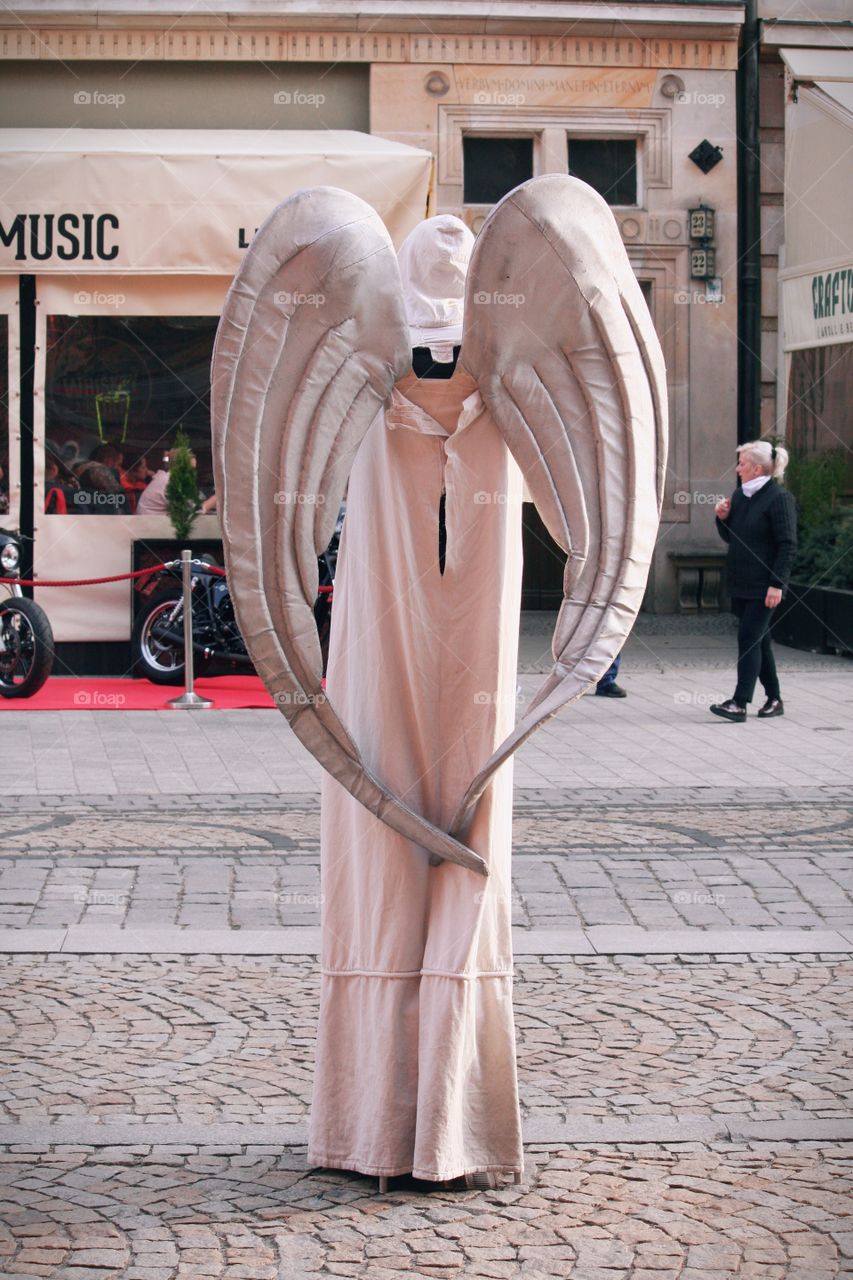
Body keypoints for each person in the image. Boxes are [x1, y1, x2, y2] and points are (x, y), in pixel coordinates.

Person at [710, 439, 797, 721]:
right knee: (759, 641)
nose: (738, 469)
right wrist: (722, 519)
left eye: (742, 464)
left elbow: (787, 545)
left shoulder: (778, 498)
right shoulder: (740, 496)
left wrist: (777, 584)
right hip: (742, 583)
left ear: (757, 468)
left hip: (764, 586)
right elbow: (732, 539)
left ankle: (739, 702)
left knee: (749, 638)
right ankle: (774, 698)